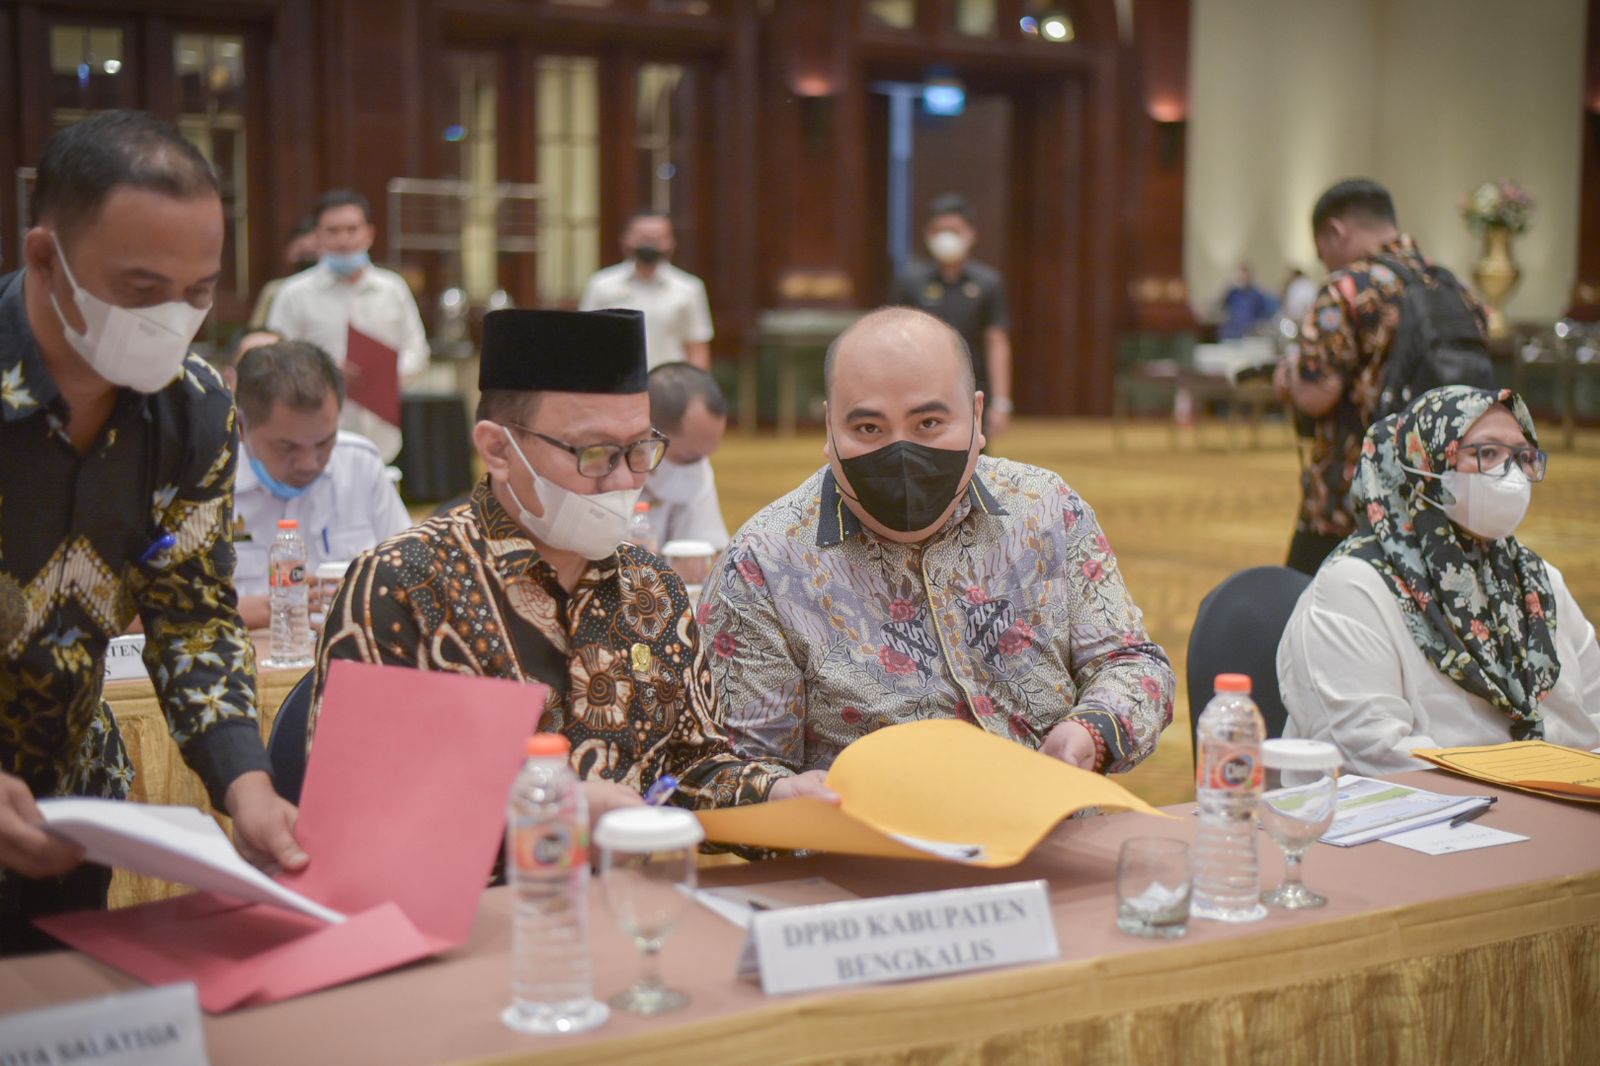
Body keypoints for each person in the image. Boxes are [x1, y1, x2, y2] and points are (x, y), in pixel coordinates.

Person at [311, 308, 831, 827]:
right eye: (596, 454)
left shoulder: (653, 588)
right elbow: (356, 800)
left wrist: (774, 793)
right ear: (498, 449)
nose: (624, 480)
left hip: (633, 895)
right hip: (470, 902)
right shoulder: (404, 582)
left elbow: (691, 769)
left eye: (640, 450)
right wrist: (549, 808)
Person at [0, 111, 305, 952]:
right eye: (141, 290)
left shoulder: (196, 410)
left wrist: (244, 778)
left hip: (69, 814)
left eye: (199, 291)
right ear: (44, 259)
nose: (173, 317)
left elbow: (193, 614)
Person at [701, 307, 1175, 775]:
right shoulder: (762, 565)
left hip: (1053, 833)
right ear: (829, 429)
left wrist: (1090, 733)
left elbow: (1130, 662)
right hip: (875, 846)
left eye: (928, 423)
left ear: (976, 415)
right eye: (869, 428)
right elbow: (739, 771)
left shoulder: (1048, 508)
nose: (901, 452)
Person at [1278, 386, 1599, 775]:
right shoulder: (1355, 585)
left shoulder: (1537, 581)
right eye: (1486, 453)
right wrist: (1519, 777)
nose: (1510, 474)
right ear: (1424, 464)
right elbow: (1370, 753)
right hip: (1408, 819)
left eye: (1523, 457)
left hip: (1549, 805)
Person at [1274, 179, 1487, 576]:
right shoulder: (1455, 289)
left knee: (1305, 614)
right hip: (1442, 492)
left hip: (1352, 498)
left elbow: (1317, 395)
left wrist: (1286, 379)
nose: (1326, 264)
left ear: (1336, 231)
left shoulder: (1348, 289)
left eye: (1324, 253)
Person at [231, 340, 412, 629]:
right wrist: (241, 612)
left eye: (324, 442)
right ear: (241, 427)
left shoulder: (358, 464)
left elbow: (412, 580)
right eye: (287, 447)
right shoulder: (205, 484)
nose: (309, 463)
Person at [266, 189, 429, 461]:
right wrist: (324, 372)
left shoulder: (392, 289)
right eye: (333, 231)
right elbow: (275, 358)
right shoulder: (294, 293)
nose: (344, 239)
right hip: (313, 434)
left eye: (352, 229)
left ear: (369, 234)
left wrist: (389, 375)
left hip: (383, 433)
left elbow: (417, 350)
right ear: (317, 237)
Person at [889, 194, 1013, 438]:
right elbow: (893, 341)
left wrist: (1001, 402)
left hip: (972, 388)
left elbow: (996, 342)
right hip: (919, 387)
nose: (946, 237)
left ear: (970, 234)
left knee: (972, 457)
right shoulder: (910, 282)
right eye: (939, 230)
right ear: (928, 235)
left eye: (954, 230)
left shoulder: (988, 283)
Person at [579, 213, 712, 370]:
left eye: (657, 239)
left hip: (669, 385)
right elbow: (586, 340)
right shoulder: (601, 285)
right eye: (643, 238)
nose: (649, 245)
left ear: (671, 243)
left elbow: (697, 347)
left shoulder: (689, 288)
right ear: (625, 239)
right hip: (614, 383)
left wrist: (695, 391)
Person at [642, 361, 730, 551]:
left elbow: (708, 554)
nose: (697, 467)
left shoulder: (697, 470)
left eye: (705, 456)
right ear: (646, 438)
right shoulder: (601, 477)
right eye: (687, 458)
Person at [247, 216, 319, 328]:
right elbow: (258, 330)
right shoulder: (276, 289)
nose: (307, 260)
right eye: (302, 254)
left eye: (312, 255)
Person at [1217, 262, 1278, 341]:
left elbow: (1267, 313)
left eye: (1245, 275)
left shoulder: (1257, 294)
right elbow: (1221, 306)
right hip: (1231, 333)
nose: (1242, 278)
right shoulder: (1232, 293)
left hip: (1250, 334)